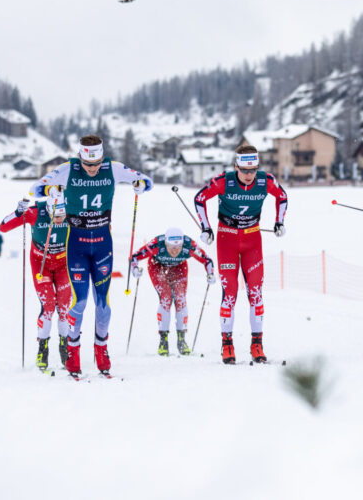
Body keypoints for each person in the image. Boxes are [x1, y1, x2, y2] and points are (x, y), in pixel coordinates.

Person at [30, 134, 153, 377]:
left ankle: (101, 348)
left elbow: (146, 180)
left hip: (102, 246)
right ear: (80, 158)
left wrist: (140, 184)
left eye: (96, 164)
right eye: (88, 165)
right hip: (75, 245)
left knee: (103, 304)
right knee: (80, 302)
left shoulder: (112, 168)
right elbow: (35, 188)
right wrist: (49, 188)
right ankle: (73, 350)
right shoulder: (68, 169)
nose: (93, 170)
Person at [194, 144, 287, 364]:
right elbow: (199, 199)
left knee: (255, 293)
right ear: (236, 166)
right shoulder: (224, 181)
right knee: (230, 293)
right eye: (244, 170)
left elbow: (282, 197)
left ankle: (257, 344)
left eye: (253, 170)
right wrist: (206, 227)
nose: (248, 175)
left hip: (253, 240)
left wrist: (279, 222)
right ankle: (227, 345)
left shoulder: (266, 181)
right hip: (227, 239)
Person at [0, 197, 71, 370]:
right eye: (56, 216)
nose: (60, 219)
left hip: (63, 264)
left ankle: (65, 346)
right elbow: (3, 227)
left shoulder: (72, 210)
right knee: (48, 307)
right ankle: (42, 348)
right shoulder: (35, 212)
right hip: (41, 264)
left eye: (63, 215)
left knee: (64, 307)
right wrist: (18, 212)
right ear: (48, 210)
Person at [130, 227, 216, 356]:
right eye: (171, 247)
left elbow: (207, 260)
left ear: (182, 243)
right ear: (165, 243)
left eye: (178, 247)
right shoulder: (156, 244)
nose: (175, 250)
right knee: (166, 297)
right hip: (157, 265)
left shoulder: (189, 245)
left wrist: (210, 274)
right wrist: (135, 269)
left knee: (180, 299)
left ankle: (181, 339)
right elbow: (135, 256)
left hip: (179, 267)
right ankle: (163, 340)